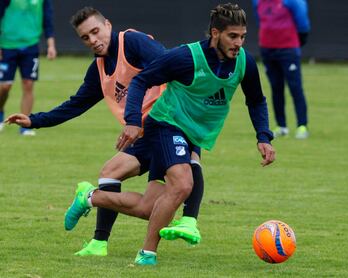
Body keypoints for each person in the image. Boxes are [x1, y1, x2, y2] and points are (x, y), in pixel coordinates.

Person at [65, 3, 275, 266]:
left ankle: (89, 197)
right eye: (233, 36)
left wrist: (263, 137)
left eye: (243, 36)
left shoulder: (245, 62)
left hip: (193, 130)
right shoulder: (186, 57)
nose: (239, 43)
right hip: (165, 123)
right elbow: (141, 81)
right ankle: (148, 253)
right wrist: (132, 121)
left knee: (148, 207)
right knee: (183, 183)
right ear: (215, 33)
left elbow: (256, 100)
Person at [5, 7, 204, 257]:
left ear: (108, 25)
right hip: (143, 134)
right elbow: (75, 105)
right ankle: (99, 243)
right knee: (111, 174)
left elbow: (168, 61)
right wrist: (34, 120)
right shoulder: (98, 70)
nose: (93, 41)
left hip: (169, 122)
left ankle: (183, 221)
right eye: (85, 37)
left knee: (153, 203)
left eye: (95, 31)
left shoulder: (131, 42)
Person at [252, 0, 310, 139]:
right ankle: (282, 126)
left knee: (295, 88)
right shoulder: (258, 2)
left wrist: (292, 43)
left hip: (288, 49)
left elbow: (303, 26)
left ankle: (302, 126)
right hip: (267, 49)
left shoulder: (293, 1)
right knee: (275, 87)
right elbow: (260, 21)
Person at [0, 0, 57, 135]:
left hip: (31, 45)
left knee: (28, 84)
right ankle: (0, 113)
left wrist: (51, 45)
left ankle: (24, 126)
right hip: (7, 45)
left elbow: (47, 19)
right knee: (4, 87)